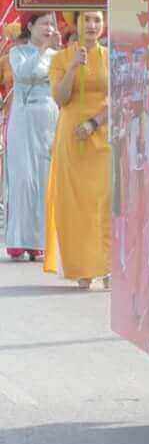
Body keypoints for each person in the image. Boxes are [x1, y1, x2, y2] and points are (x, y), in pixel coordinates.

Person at [46, 7, 112, 289]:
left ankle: (107, 265)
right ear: (77, 23)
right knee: (76, 204)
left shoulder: (112, 57)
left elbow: (120, 96)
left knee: (105, 202)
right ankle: (83, 268)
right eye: (87, 19)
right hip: (71, 137)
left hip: (103, 136)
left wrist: (95, 123)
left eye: (97, 19)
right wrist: (73, 66)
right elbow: (60, 98)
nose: (92, 25)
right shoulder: (61, 58)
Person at [5, 13, 60, 259]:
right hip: (23, 118)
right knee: (22, 177)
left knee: (44, 175)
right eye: (44, 24)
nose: (49, 28)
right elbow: (24, 75)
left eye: (52, 24)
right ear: (30, 26)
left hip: (48, 118)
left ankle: (40, 240)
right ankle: (18, 238)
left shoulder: (58, 56)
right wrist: (43, 50)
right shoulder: (18, 53)